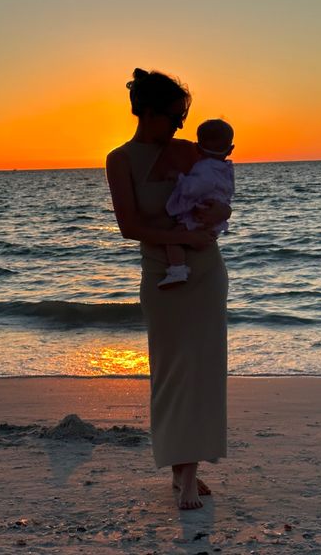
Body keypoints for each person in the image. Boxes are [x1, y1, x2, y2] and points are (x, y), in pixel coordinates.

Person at [106, 68, 230, 510]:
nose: (180, 125)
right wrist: (183, 237)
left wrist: (217, 214)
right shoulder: (119, 159)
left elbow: (219, 194)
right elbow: (128, 227)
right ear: (149, 112)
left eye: (184, 116)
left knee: (205, 370)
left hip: (205, 271)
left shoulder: (189, 151)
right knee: (170, 372)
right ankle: (181, 469)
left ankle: (189, 474)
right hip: (163, 274)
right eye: (175, 115)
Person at [158, 119, 235, 289]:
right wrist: (223, 211)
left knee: (174, 238)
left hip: (199, 215)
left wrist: (179, 179)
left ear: (198, 148)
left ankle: (178, 269)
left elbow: (193, 188)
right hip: (211, 221)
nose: (180, 124)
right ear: (230, 150)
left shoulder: (204, 167)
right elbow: (228, 192)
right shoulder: (227, 169)